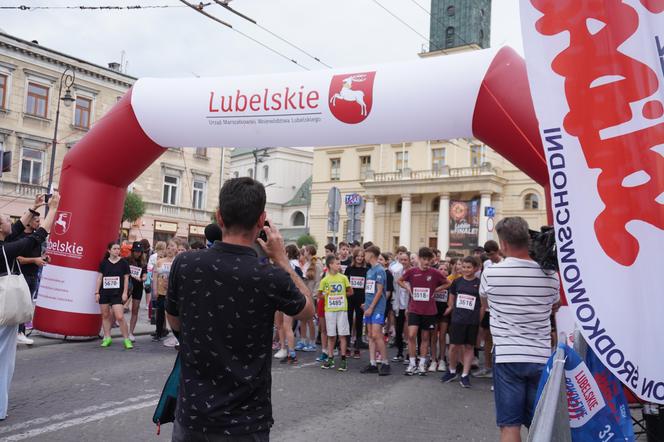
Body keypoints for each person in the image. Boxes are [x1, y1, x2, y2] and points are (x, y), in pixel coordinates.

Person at [166, 177, 313, 441]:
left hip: (193, 416)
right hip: (246, 422)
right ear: (262, 221)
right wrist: (281, 259)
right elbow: (308, 310)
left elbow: (174, 322)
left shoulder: (185, 264)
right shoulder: (270, 276)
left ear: (219, 217)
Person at [480, 217, 560, 442]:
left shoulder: (491, 273)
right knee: (542, 424)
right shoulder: (551, 276)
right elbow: (555, 305)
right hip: (540, 355)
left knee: (509, 425)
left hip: (507, 355)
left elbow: (485, 304)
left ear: (503, 244)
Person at [0, 193, 60, 421]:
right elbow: (34, 238)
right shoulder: (4, 250)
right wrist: (53, 210)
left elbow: (16, 228)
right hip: (3, 309)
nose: (11, 221)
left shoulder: (3, 243)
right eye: (6, 218)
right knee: (3, 361)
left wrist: (34, 209)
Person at [398, 247, 449, 376]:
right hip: (414, 308)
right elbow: (399, 280)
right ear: (420, 259)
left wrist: (436, 290)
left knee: (425, 337)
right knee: (411, 335)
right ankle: (412, 363)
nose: (427, 262)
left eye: (429, 260)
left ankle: (421, 364)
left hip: (429, 310)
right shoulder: (412, 271)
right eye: (424, 259)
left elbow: (448, 283)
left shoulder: (435, 272)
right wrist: (408, 287)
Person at [441, 256, 483, 388]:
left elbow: (483, 305)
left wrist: (478, 321)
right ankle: (452, 370)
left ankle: (465, 374)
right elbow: (451, 301)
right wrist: (452, 310)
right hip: (458, 319)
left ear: (476, 268)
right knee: (454, 346)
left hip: (472, 320)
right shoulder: (457, 282)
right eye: (464, 267)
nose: (466, 270)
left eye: (469, 267)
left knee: (469, 347)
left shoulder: (480, 283)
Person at [15, 213, 47, 346]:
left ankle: (20, 332)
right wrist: (35, 260)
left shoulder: (37, 238)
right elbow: (19, 259)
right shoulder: (19, 237)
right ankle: (19, 333)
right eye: (37, 221)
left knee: (26, 306)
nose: (39, 223)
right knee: (19, 306)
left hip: (33, 276)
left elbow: (37, 256)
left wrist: (43, 258)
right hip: (21, 276)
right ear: (28, 222)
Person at [359, 245, 390, 376]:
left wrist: (371, 307)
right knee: (370, 335)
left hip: (377, 308)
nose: (364, 257)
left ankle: (385, 362)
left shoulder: (380, 270)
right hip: (369, 307)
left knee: (377, 335)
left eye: (365, 254)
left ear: (371, 254)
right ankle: (372, 363)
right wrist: (366, 304)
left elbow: (379, 291)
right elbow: (370, 290)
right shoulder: (369, 271)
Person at [474, 240, 503, 378]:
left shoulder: (505, 263)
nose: (492, 257)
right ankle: (487, 367)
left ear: (498, 251)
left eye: (493, 254)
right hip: (487, 309)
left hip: (500, 308)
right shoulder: (487, 264)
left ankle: (497, 369)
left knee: (498, 339)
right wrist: (483, 306)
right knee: (487, 338)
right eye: (489, 255)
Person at [96, 242, 133, 349]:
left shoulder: (123, 263)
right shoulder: (104, 263)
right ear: (109, 250)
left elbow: (126, 278)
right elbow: (99, 278)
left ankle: (126, 339)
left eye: (118, 249)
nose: (117, 251)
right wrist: (96, 292)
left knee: (120, 316)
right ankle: (107, 337)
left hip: (117, 293)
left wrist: (125, 293)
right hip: (104, 293)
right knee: (105, 316)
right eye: (115, 249)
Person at [319, 255, 352, 371]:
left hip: (342, 309)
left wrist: (341, 295)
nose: (339, 265)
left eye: (339, 264)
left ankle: (343, 360)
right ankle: (330, 358)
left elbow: (350, 292)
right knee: (331, 335)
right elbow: (319, 295)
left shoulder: (343, 278)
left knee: (342, 335)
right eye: (337, 263)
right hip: (330, 311)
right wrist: (325, 295)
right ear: (330, 265)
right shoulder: (324, 280)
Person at [344, 247, 368, 358]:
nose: (360, 258)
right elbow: (345, 284)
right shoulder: (349, 269)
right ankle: (348, 346)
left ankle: (357, 347)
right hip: (350, 299)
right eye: (358, 256)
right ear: (354, 257)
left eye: (362, 256)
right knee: (348, 321)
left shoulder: (367, 270)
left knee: (359, 322)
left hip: (361, 299)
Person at [298, 244, 321, 352]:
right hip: (303, 293)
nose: (304, 252)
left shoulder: (317, 264)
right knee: (303, 318)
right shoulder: (306, 264)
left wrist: (315, 294)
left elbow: (318, 281)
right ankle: (303, 340)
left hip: (311, 294)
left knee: (310, 319)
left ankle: (312, 342)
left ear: (308, 252)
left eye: (305, 250)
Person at [153, 240, 176, 341]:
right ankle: (158, 333)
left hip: (173, 293)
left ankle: (176, 335)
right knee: (160, 313)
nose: (170, 250)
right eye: (168, 248)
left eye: (172, 248)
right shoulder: (159, 262)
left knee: (174, 314)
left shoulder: (177, 261)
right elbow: (155, 276)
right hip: (161, 292)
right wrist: (154, 290)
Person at [390, 252, 410, 363]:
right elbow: (394, 287)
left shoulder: (412, 272)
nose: (403, 262)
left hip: (409, 304)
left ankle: (409, 354)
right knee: (398, 328)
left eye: (405, 260)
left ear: (409, 261)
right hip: (398, 303)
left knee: (408, 330)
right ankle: (399, 352)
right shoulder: (397, 272)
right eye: (401, 260)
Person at [126, 241, 147, 342]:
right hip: (127, 286)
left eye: (140, 251)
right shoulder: (126, 260)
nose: (138, 253)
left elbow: (145, 274)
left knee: (135, 309)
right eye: (136, 251)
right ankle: (110, 327)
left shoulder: (143, 263)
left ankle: (131, 333)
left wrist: (143, 278)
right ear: (132, 251)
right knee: (118, 307)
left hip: (138, 287)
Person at [146, 241, 166, 326]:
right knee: (156, 299)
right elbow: (150, 268)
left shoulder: (154, 256)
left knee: (156, 299)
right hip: (156, 280)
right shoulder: (154, 256)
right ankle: (153, 317)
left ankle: (153, 317)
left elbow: (149, 268)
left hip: (158, 280)